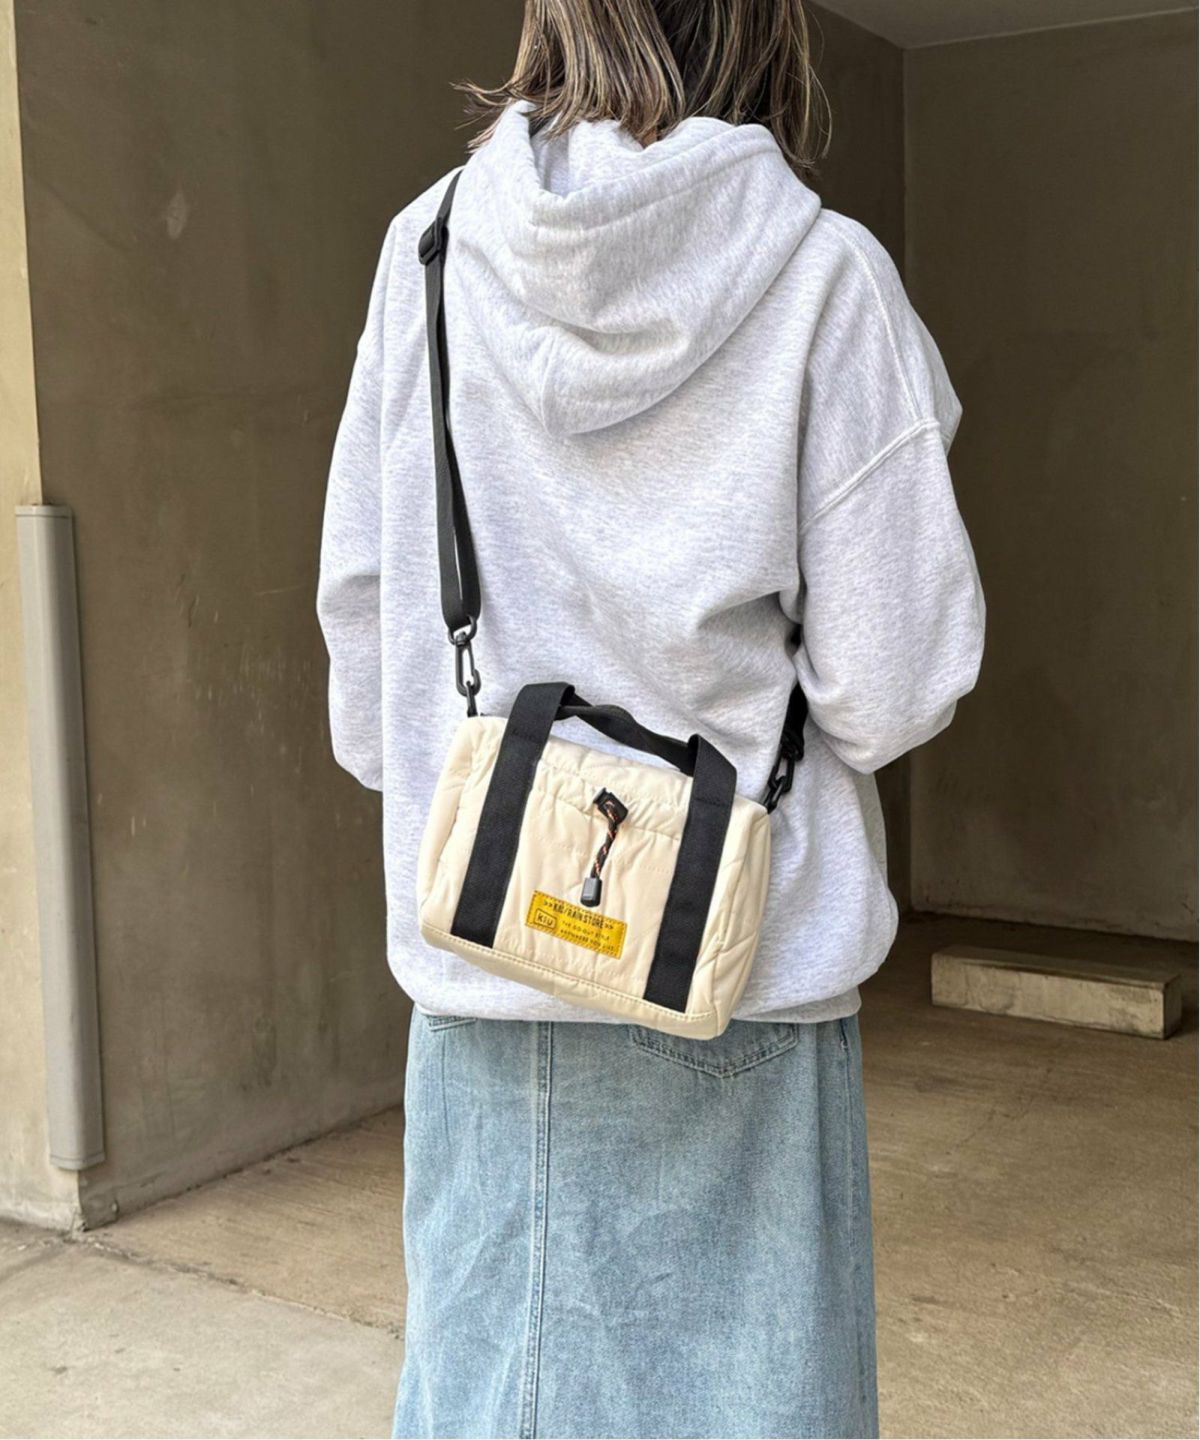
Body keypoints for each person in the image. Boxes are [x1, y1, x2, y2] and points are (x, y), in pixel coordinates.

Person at [317, 1, 985, 1435]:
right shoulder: (827, 277)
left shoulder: (426, 254)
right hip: (741, 978)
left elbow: (369, 667)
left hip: (486, 975)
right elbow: (894, 684)